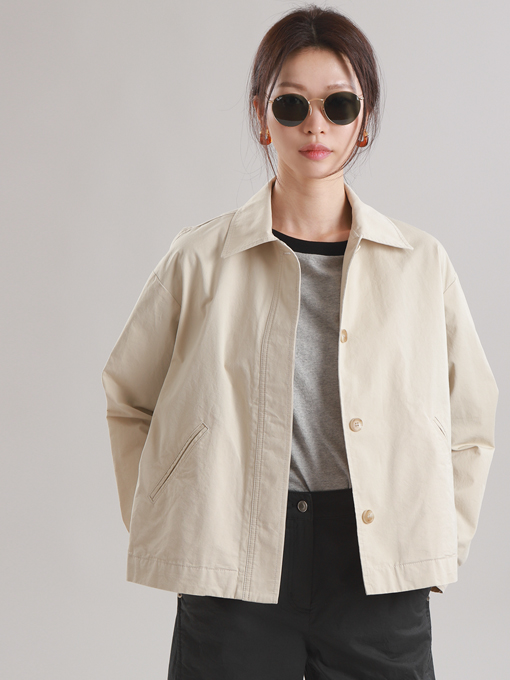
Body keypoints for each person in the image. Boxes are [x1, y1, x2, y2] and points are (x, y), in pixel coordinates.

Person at [101, 5, 499, 679]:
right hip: (236, 561)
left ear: (364, 122)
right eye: (293, 105)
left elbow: (472, 419)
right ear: (262, 116)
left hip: (375, 566)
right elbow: (129, 396)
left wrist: (433, 541)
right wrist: (179, 520)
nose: (316, 125)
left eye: (339, 105)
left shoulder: (421, 263)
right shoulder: (200, 259)